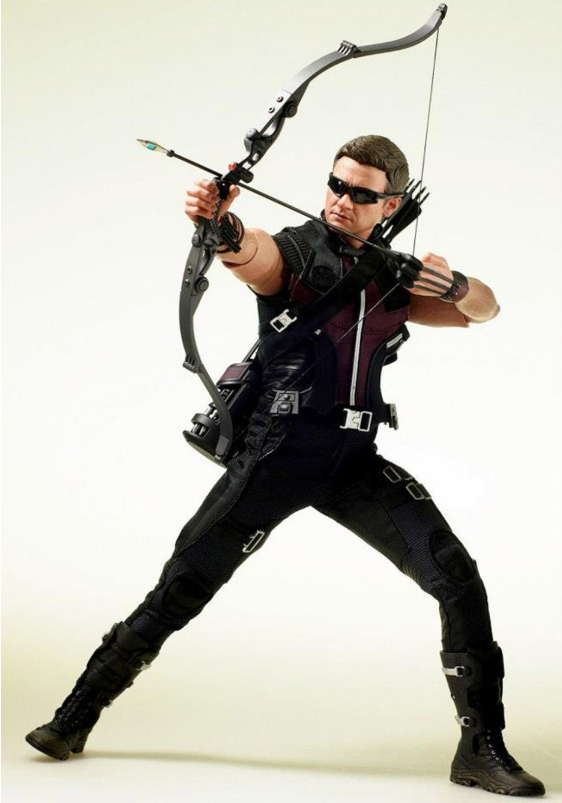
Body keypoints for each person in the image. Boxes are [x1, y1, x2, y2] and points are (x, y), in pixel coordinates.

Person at [26, 135, 545, 797]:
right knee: (183, 584)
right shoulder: (300, 250)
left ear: (390, 204)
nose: (342, 200)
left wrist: (458, 284)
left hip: (352, 460)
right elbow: (252, 254)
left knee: (456, 576)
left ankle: (481, 748)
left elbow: (485, 310)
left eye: (362, 194)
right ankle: (73, 717)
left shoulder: (394, 273)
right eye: (336, 184)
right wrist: (221, 226)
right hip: (276, 454)